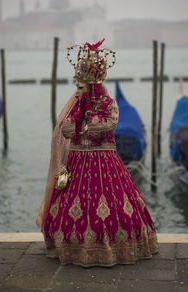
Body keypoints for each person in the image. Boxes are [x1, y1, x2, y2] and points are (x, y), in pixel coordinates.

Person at [36, 39, 159, 267]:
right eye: (78, 85)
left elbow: (106, 126)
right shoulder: (77, 106)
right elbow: (66, 128)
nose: (78, 90)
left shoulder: (109, 104)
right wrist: (84, 126)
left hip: (104, 163)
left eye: (82, 85)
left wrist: (82, 126)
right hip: (77, 162)